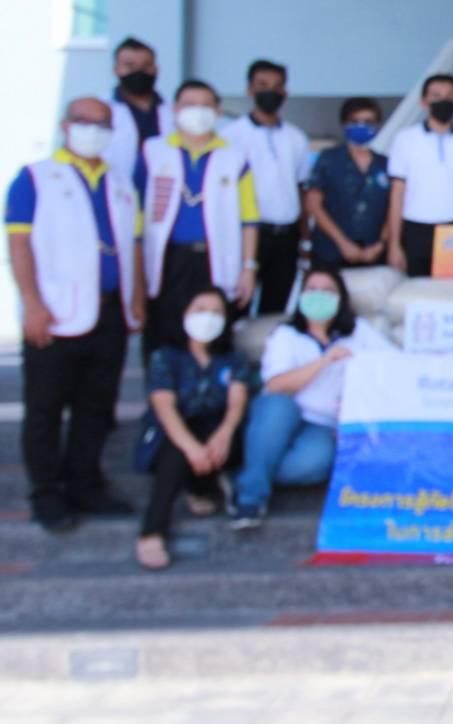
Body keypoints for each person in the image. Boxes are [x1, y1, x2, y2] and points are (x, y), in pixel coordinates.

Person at [6, 97, 143, 531]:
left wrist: (136, 298)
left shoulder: (119, 181)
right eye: (85, 121)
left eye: (103, 124)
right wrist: (32, 303)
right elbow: (19, 244)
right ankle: (46, 493)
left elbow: (133, 245)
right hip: (55, 314)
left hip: (109, 311)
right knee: (45, 408)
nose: (94, 130)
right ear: (66, 125)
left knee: (95, 405)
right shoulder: (35, 178)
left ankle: (85, 484)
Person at [230, 268, 396, 529]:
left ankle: (246, 475)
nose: (319, 296)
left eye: (328, 290)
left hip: (323, 423)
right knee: (277, 408)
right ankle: (249, 500)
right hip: (284, 413)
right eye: (312, 289)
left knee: (316, 464)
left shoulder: (358, 332)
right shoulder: (286, 335)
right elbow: (277, 384)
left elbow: (391, 363)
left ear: (341, 298)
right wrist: (324, 361)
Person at [133, 287, 251, 570]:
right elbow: (164, 408)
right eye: (200, 309)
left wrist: (224, 434)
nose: (208, 317)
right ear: (184, 314)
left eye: (216, 312)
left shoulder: (233, 360)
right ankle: (152, 532)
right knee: (176, 453)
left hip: (216, 436)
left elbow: (237, 402)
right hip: (174, 434)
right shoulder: (166, 357)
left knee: (222, 443)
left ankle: (201, 487)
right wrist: (190, 447)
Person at [142, 80, 258, 360]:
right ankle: (162, 387)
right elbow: (135, 211)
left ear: (218, 112)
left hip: (215, 258)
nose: (198, 111)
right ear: (175, 110)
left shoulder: (234, 156)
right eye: (190, 104)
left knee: (213, 331)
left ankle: (212, 386)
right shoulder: (153, 151)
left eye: (206, 105)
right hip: (169, 260)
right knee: (164, 333)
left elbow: (249, 218)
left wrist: (248, 267)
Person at [221, 60, 310, 314]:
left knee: (275, 309)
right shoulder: (230, 136)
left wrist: (305, 239)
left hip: (286, 236)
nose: (271, 91)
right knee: (237, 305)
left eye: (277, 86)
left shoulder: (296, 137)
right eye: (263, 85)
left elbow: (301, 190)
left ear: (285, 92)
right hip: (247, 235)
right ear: (249, 89)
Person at [385, 74, 453, 278]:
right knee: (418, 290)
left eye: (449, 96)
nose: (443, 101)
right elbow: (397, 194)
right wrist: (394, 244)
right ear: (424, 102)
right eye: (436, 96)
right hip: (416, 229)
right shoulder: (405, 139)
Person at [305, 97, 390, 269]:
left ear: (378, 126)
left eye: (368, 122)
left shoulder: (385, 164)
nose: (361, 126)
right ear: (344, 125)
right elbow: (313, 204)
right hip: (330, 252)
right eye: (355, 121)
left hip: (374, 254)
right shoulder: (329, 159)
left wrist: (380, 245)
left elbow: (394, 208)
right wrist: (343, 243)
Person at [107, 37, 173, 195]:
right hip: (116, 193)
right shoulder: (104, 110)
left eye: (146, 66)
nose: (139, 72)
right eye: (130, 66)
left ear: (156, 69)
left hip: (163, 192)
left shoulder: (173, 111)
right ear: (116, 69)